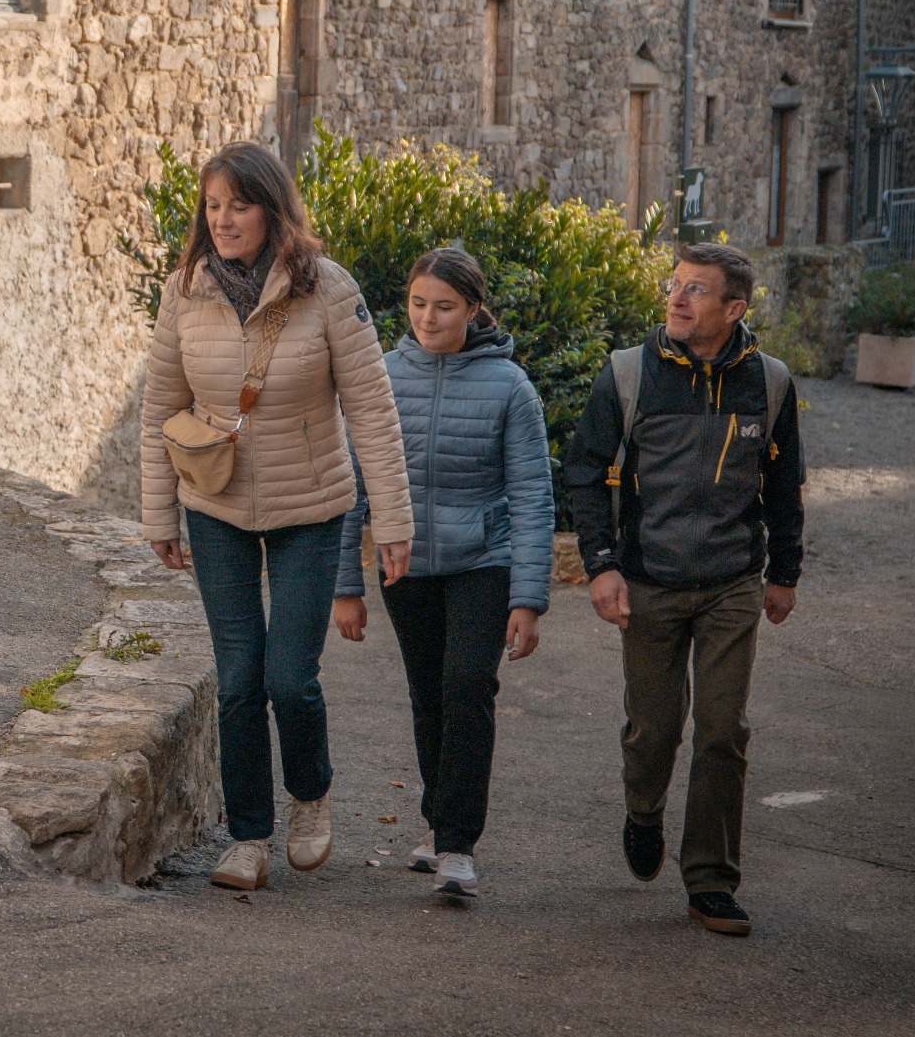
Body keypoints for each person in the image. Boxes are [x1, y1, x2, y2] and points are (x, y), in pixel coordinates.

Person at [141, 142, 414, 891]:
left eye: (240, 204)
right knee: (237, 680)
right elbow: (159, 409)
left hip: (311, 508)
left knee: (289, 678)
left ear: (273, 208)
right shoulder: (184, 292)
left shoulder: (327, 290)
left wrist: (392, 523)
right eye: (213, 205)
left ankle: (311, 794)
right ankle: (248, 837)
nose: (223, 220)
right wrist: (158, 512)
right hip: (215, 505)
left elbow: (374, 414)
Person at [565, 241, 804, 937]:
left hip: (732, 581)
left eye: (696, 290)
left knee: (724, 731)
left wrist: (784, 571)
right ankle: (644, 810)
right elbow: (585, 470)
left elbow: (784, 485)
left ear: (733, 309)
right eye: (675, 285)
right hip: (649, 580)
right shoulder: (629, 374)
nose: (676, 298)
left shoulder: (772, 383)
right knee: (654, 731)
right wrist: (602, 563)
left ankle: (711, 882)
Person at [333, 248, 554, 901]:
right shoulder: (380, 377)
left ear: (474, 309)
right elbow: (353, 488)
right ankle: (438, 825)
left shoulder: (511, 388)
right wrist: (347, 586)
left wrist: (529, 597)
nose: (429, 317)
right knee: (429, 695)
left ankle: (457, 844)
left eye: (445, 306)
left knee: (466, 687)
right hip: (407, 567)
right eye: (419, 304)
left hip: (484, 561)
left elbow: (534, 498)